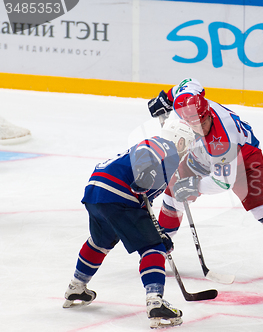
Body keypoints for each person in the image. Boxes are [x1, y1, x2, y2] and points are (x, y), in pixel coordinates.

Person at [146, 78, 263, 283]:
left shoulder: (223, 139)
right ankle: (161, 247)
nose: (204, 126)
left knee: (262, 206)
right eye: (199, 123)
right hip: (201, 152)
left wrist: (194, 187)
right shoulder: (187, 101)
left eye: (206, 121)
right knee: (173, 192)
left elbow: (223, 182)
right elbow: (187, 83)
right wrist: (165, 98)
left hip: (243, 156)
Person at [62, 119, 195, 329]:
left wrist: (157, 230)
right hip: (117, 195)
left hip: (96, 192)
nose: (186, 151)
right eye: (187, 145)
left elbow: (144, 202)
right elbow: (146, 152)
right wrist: (145, 172)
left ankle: (77, 286)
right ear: (179, 142)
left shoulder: (163, 159)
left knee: (100, 242)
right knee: (152, 248)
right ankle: (155, 303)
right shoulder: (163, 147)